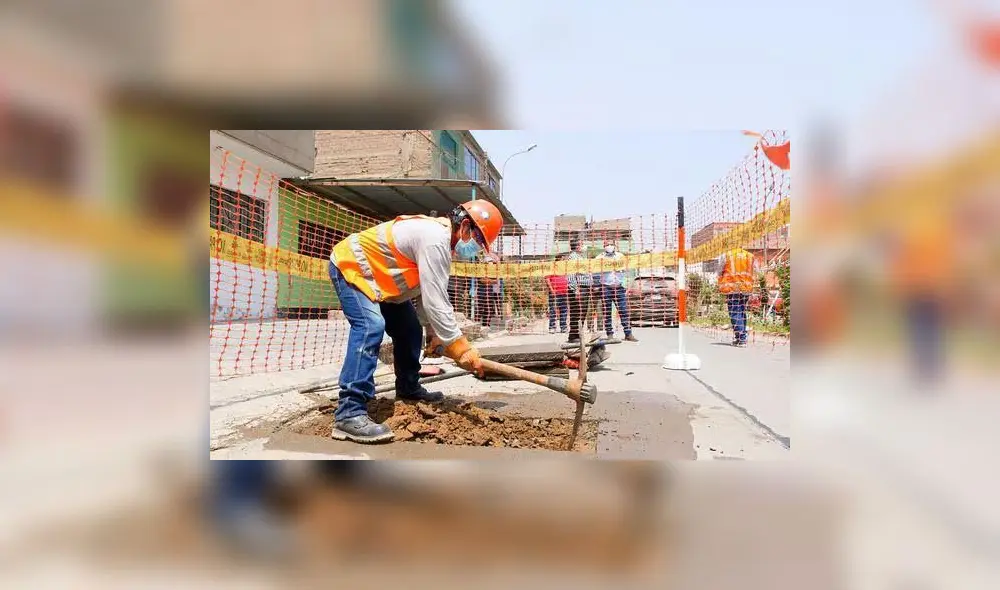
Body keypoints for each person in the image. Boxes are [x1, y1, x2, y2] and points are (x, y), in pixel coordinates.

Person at [328, 200, 502, 442]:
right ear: (464, 226)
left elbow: (425, 292)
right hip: (352, 266)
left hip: (381, 279)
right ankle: (349, 412)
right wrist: (461, 348)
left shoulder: (442, 244)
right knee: (371, 327)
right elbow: (436, 302)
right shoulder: (434, 239)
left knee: (410, 330)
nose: (478, 248)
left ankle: (408, 388)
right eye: (479, 240)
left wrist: (432, 332)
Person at [596, 240, 637, 342]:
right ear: (604, 246)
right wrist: (596, 285)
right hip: (605, 288)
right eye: (607, 244)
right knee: (607, 312)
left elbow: (628, 270)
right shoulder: (599, 258)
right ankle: (610, 334)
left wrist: (627, 285)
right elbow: (594, 272)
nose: (609, 246)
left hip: (619, 287)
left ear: (615, 245)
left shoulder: (620, 256)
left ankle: (628, 333)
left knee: (623, 311)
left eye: (611, 244)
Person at [718, 247, 760, 346]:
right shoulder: (750, 256)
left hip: (732, 288)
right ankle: (739, 337)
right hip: (746, 287)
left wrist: (720, 281)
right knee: (741, 311)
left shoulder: (727, 255)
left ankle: (742, 339)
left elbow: (719, 270)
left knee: (735, 313)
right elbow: (757, 270)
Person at [450, 222, 481, 317]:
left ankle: (464, 317)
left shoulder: (472, 253)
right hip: (451, 284)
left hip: (462, 284)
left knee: (461, 304)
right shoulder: (453, 249)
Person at [566, 238, 592, 343]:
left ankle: (577, 334)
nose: (583, 246)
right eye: (582, 244)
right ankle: (574, 335)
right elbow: (571, 274)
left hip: (584, 288)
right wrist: (575, 289)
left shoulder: (580, 257)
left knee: (582, 312)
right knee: (577, 312)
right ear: (577, 246)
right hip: (579, 288)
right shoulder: (573, 257)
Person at [544, 262, 569, 333]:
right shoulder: (551, 269)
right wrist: (552, 290)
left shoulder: (564, 270)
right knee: (553, 310)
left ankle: (563, 327)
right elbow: (547, 279)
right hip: (555, 293)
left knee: (564, 310)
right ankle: (552, 327)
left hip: (564, 293)